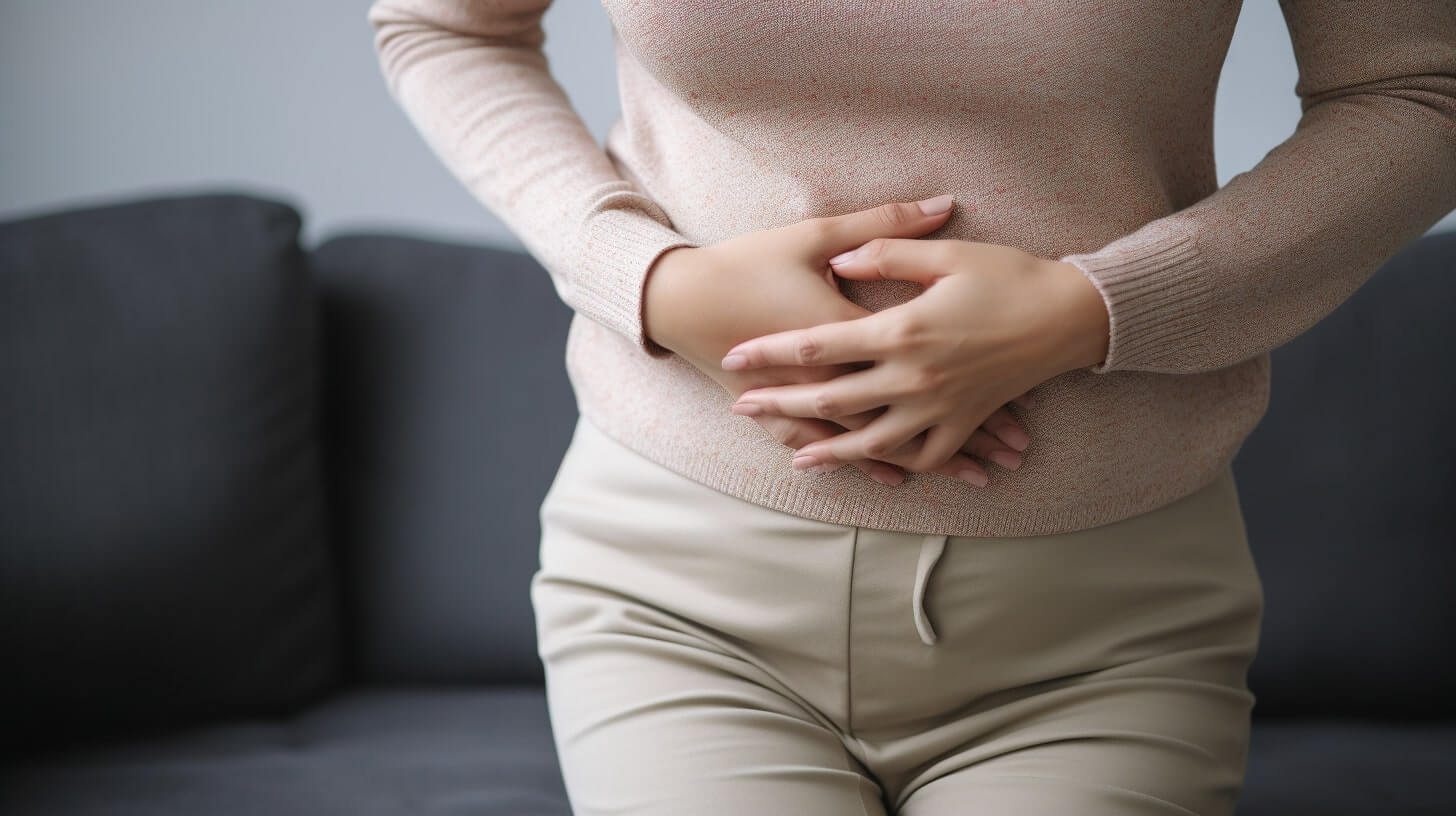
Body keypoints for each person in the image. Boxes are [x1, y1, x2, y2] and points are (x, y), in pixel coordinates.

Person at [365, 1, 1456, 813]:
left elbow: (1421, 88)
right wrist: (646, 275)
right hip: (678, 597)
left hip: (1101, 633)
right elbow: (443, 24)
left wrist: (1096, 308)